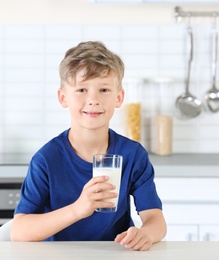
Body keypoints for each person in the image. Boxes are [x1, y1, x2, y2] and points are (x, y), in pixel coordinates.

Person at [10, 41, 166, 251]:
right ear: (63, 97)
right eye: (82, 89)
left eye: (104, 89)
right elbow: (18, 231)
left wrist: (145, 234)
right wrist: (78, 209)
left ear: (119, 97)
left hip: (115, 254)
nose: (93, 99)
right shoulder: (47, 159)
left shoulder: (133, 155)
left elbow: (155, 218)